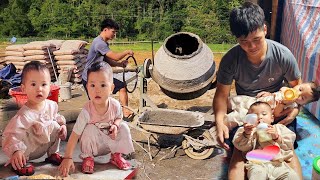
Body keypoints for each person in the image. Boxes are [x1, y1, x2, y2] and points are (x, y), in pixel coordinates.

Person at [212, 2, 303, 179]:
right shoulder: (231, 59)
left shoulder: (283, 55)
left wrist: (294, 111)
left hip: (275, 110)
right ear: (237, 39)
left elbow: (297, 89)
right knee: (239, 154)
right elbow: (221, 95)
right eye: (244, 42)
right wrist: (219, 120)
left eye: (256, 39)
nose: (251, 47)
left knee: (287, 153)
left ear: (265, 29)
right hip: (247, 112)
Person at [59, 61, 134, 177]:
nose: (97, 90)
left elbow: (119, 118)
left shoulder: (115, 105)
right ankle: (88, 158)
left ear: (111, 88)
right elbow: (75, 135)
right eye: (92, 85)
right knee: (89, 128)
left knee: (124, 127)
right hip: (94, 146)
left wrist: (116, 125)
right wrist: (68, 157)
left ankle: (116, 156)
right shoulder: (87, 111)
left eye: (103, 85)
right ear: (87, 88)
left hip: (110, 142)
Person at [2, 61, 67, 176]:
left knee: (56, 124)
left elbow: (57, 118)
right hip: (26, 150)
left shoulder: (51, 105)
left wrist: (63, 126)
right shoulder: (23, 115)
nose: (39, 89)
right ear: (23, 88)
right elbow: (10, 135)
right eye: (33, 84)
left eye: (43, 84)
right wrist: (16, 151)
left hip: (42, 145)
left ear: (50, 87)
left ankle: (53, 154)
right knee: (20, 133)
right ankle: (19, 163)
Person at [82, 18, 134, 119]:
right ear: (105, 30)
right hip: (90, 78)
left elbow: (108, 60)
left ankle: (125, 112)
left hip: (99, 76)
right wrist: (127, 51)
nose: (114, 35)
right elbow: (115, 56)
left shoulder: (103, 43)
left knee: (122, 87)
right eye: (113, 32)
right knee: (96, 105)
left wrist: (119, 65)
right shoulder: (99, 43)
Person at [233, 101, 299, 180]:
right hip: (256, 163)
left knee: (291, 176)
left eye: (264, 114)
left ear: (272, 118)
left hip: (278, 164)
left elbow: (289, 144)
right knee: (257, 175)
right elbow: (241, 147)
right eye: (255, 115)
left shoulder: (279, 128)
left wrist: (277, 137)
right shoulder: (247, 131)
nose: (260, 117)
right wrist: (246, 134)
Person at [225, 82, 320, 130]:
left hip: (258, 112)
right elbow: (277, 92)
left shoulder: (292, 107)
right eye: (300, 89)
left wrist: (283, 104)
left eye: (302, 98)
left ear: (304, 104)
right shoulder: (286, 89)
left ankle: (220, 125)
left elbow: (276, 114)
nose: (298, 94)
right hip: (255, 100)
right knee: (235, 100)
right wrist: (268, 93)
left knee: (236, 118)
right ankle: (222, 108)